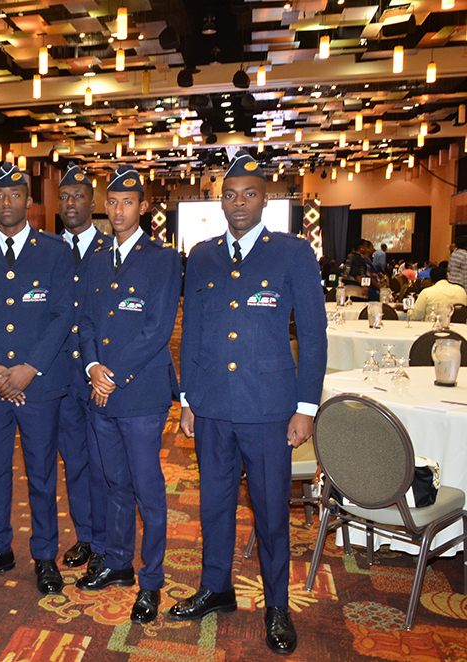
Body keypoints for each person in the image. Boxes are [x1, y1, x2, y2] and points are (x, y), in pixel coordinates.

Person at [174, 154, 327, 654]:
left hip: (268, 408)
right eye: (230, 195)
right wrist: (188, 399)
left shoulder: (292, 253)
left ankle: (277, 605)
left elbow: (313, 334)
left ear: (265, 200)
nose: (239, 203)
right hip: (213, 405)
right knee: (214, 504)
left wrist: (306, 406)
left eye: (249, 194)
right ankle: (216, 587)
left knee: (270, 512)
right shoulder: (202, 255)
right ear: (220, 201)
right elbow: (192, 332)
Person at [0, 162, 75, 596]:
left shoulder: (55, 251)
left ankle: (45, 556)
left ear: (29, 201)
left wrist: (29, 368)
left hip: (38, 385)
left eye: (15, 195)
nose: (7, 202)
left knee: (42, 474)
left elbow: (62, 315)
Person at [76, 166, 181, 625]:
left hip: (140, 394)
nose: (119, 210)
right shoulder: (96, 257)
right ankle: (119, 563)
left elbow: (157, 329)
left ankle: (151, 580)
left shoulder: (162, 258)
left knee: (146, 489)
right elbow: (85, 322)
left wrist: (112, 373)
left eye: (128, 202)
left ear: (143, 206)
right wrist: (93, 367)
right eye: (113, 202)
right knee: (113, 483)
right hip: (101, 392)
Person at [56, 162, 110, 574]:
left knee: (105, 464)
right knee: (74, 461)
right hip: (59, 376)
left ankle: (107, 541)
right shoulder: (45, 250)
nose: (71, 203)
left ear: (94, 203)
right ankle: (86, 536)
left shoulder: (111, 249)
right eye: (64, 197)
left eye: (79, 196)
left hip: (100, 375)